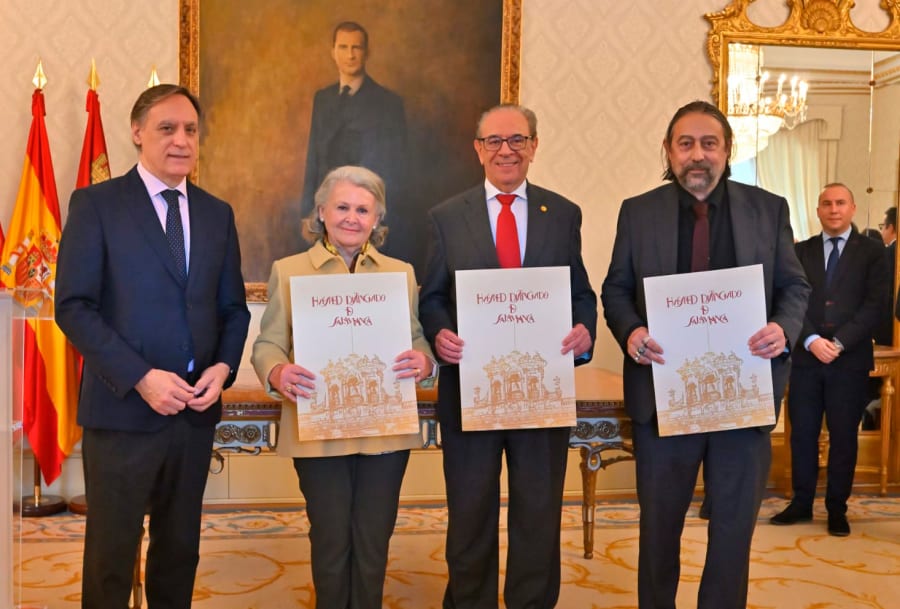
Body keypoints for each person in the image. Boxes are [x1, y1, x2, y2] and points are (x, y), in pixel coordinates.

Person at [601, 100, 810, 609]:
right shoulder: (638, 211)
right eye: (686, 143)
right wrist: (630, 332)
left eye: (709, 143)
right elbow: (616, 290)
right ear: (669, 151)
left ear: (727, 151)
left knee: (733, 536)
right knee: (659, 534)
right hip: (664, 397)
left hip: (743, 400)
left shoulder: (769, 208)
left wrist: (782, 328)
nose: (698, 155)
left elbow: (794, 286)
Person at [55, 84, 251, 609]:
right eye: (167, 128)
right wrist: (142, 377)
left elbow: (233, 309)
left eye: (190, 129)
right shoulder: (97, 205)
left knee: (179, 551)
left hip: (192, 415)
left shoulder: (217, 214)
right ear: (138, 133)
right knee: (111, 558)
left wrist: (223, 367)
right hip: (122, 413)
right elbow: (73, 306)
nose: (181, 139)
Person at [418, 103, 597, 609]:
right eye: (494, 141)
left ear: (534, 146)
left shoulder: (562, 213)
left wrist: (585, 329)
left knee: (538, 514)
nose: (506, 150)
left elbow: (580, 292)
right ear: (477, 149)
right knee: (470, 514)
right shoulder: (446, 218)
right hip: (471, 392)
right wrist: (440, 334)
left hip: (541, 395)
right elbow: (431, 297)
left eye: (517, 139)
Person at [251, 165, 435, 609]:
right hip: (318, 432)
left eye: (363, 209)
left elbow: (416, 339)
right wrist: (277, 372)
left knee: (373, 541)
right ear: (321, 211)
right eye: (342, 207)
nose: (352, 217)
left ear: (377, 219)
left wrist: (425, 360)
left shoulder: (401, 273)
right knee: (331, 541)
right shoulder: (289, 270)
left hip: (386, 431)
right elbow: (268, 343)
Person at [770, 183, 886, 536]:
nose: (833, 209)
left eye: (840, 203)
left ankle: (837, 508)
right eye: (826, 204)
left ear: (851, 208)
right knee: (802, 434)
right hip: (806, 360)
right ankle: (802, 503)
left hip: (848, 361)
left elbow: (876, 304)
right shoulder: (799, 251)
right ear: (817, 210)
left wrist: (838, 342)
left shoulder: (874, 252)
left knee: (843, 436)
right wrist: (809, 338)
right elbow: (788, 299)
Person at [300, 22, 407, 236]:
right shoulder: (323, 99)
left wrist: (382, 217)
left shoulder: (388, 103)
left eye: (356, 48)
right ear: (333, 52)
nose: (350, 55)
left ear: (367, 53)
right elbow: (314, 156)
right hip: (327, 214)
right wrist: (306, 212)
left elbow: (397, 169)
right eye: (343, 47)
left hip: (368, 216)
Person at [875, 206, 896, 345]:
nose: (881, 231)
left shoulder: (888, 254)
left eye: (882, 226)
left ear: (891, 227)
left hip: (889, 324)